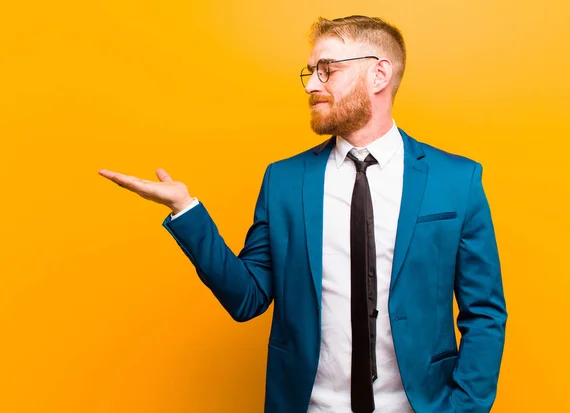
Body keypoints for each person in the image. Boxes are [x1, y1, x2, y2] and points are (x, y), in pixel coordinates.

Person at [99, 15, 507, 413]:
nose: (312, 84)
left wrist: (465, 408)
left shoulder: (457, 180)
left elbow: (484, 312)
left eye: (326, 69)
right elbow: (247, 299)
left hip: (421, 405)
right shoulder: (284, 180)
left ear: (379, 75)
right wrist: (185, 210)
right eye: (310, 71)